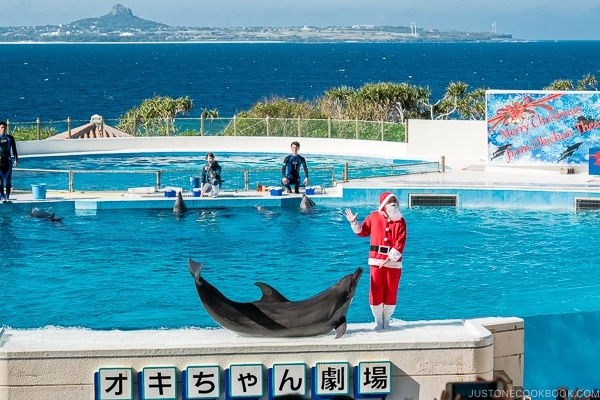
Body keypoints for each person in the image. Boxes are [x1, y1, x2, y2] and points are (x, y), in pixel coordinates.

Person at [344, 191, 407, 330]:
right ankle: (378, 320)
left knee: (391, 290)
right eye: (390, 202)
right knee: (376, 290)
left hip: (394, 262)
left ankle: (387, 320)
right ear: (384, 205)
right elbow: (362, 232)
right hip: (376, 261)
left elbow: (400, 242)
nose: (393, 204)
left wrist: (391, 257)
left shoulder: (401, 221)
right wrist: (353, 222)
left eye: (394, 201)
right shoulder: (373, 217)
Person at [0, 121, 18, 203]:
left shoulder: (10, 138)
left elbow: (14, 149)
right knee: (0, 181)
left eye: (4, 127)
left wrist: (16, 159)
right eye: (2, 127)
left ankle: (7, 196)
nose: (3, 129)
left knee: (8, 180)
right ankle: (2, 197)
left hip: (8, 162)